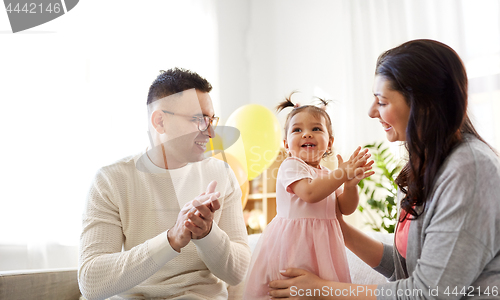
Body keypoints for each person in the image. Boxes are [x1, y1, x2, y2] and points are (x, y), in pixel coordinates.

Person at [268, 39, 500, 299]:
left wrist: (321, 289)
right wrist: (334, 228)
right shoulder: (424, 165)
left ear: (422, 104)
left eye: (382, 101)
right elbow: (406, 269)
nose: (371, 112)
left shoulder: (470, 170)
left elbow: (430, 292)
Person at [78, 68, 251, 300]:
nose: (210, 132)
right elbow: (91, 282)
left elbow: (237, 273)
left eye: (211, 120)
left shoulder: (221, 174)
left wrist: (207, 233)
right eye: (199, 120)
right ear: (160, 121)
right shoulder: (111, 180)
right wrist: (171, 239)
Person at [243, 95, 374, 299]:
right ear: (286, 144)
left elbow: (345, 208)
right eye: (297, 130)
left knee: (321, 291)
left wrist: (349, 185)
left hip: (325, 248)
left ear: (329, 143)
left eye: (316, 129)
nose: (306, 135)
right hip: (293, 247)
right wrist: (341, 174)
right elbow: (310, 193)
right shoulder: (290, 166)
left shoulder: (327, 174)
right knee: (292, 290)